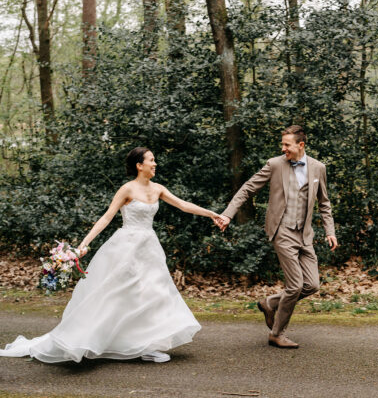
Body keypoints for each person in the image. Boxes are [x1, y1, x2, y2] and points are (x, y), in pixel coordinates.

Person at [0, 147, 220, 363]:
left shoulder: (158, 189)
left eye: (154, 160)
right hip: (126, 247)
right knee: (120, 294)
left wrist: (211, 214)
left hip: (149, 248)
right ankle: (93, 337)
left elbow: (183, 205)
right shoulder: (127, 189)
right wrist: (83, 245)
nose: (155, 164)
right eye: (151, 160)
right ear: (139, 165)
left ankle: (147, 345)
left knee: (153, 294)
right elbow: (106, 218)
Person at [216, 125, 337, 348]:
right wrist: (227, 214)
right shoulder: (275, 165)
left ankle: (269, 302)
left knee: (312, 285)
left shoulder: (318, 168)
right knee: (294, 286)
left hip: (305, 235)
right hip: (283, 231)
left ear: (301, 145)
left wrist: (330, 231)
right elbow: (247, 189)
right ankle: (277, 333)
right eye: (282, 145)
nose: (283, 149)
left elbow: (324, 202)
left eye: (287, 145)